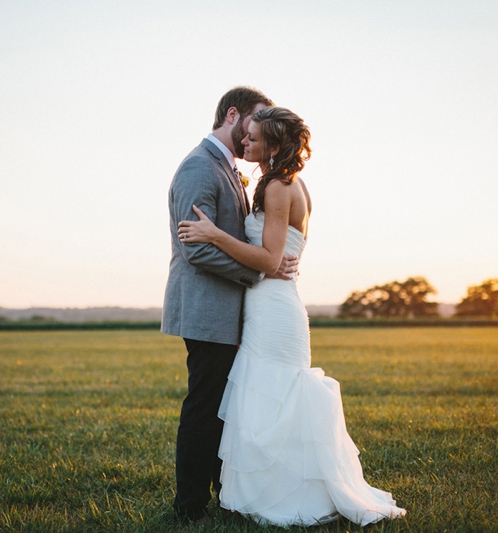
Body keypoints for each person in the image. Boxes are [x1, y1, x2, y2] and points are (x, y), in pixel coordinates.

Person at [177, 106, 407, 527]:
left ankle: (291, 494)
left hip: (274, 307)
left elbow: (269, 259)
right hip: (269, 303)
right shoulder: (285, 183)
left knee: (275, 396)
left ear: (274, 145)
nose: (244, 142)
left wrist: (214, 234)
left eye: (253, 138)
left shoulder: (280, 187)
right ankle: (270, 489)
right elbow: (276, 256)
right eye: (244, 136)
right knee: (267, 398)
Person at [161, 86, 299, 524]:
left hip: (231, 311)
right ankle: (189, 507)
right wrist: (260, 271)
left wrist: (263, 262)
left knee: (224, 407)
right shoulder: (199, 167)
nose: (254, 135)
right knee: (204, 407)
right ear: (233, 114)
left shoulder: (230, 170)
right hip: (205, 309)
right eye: (255, 122)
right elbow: (195, 248)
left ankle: (228, 493)